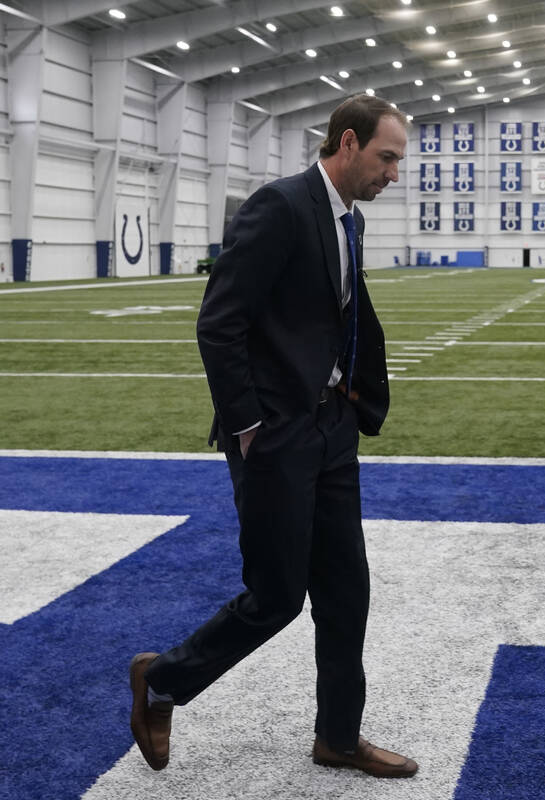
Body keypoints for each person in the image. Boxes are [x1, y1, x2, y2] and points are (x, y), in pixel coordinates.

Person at [128, 94, 416, 779]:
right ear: (347, 144)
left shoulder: (349, 220)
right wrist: (249, 426)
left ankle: (338, 738)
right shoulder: (280, 206)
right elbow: (218, 321)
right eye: (386, 158)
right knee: (278, 596)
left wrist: (351, 398)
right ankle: (162, 680)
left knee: (347, 592)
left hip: (332, 428)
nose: (393, 174)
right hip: (278, 436)